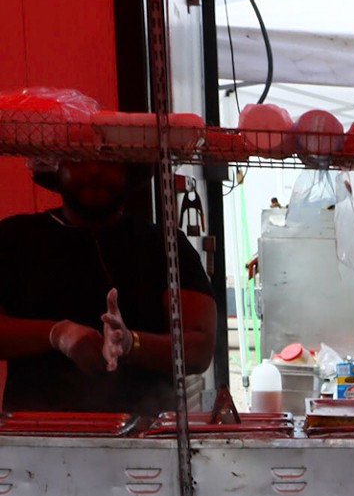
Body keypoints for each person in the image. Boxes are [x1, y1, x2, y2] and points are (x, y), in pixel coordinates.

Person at [0, 158, 217, 416]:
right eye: (78, 159)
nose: (94, 169)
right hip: (36, 438)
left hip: (147, 439)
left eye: (110, 161)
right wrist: (58, 334)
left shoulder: (164, 244)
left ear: (128, 170)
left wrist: (131, 343)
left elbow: (199, 349)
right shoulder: (13, 238)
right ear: (56, 166)